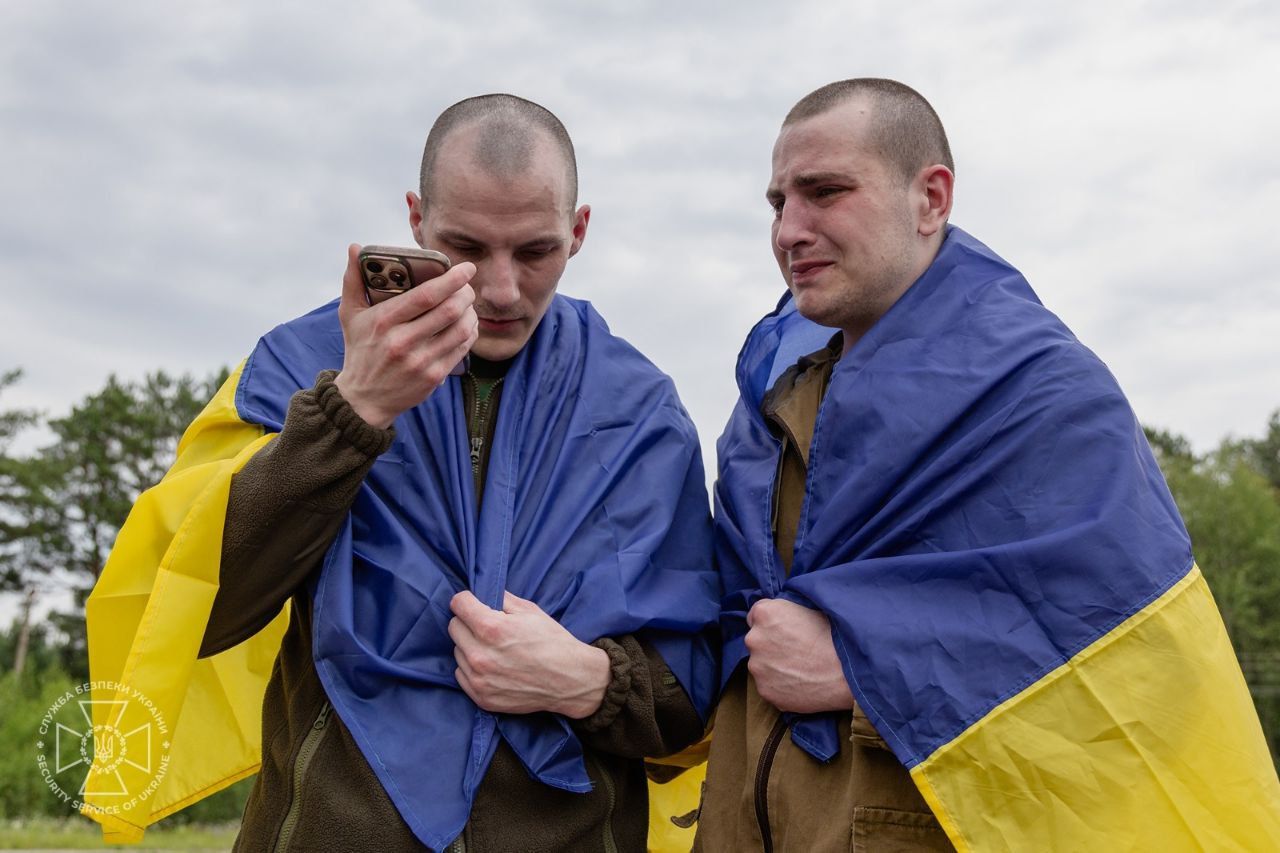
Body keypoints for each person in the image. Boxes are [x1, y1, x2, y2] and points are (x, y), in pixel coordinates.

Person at [81, 94, 719, 852]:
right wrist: (353, 410)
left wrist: (589, 681)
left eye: (536, 251)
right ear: (417, 220)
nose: (502, 290)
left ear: (578, 231)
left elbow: (695, 694)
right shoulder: (301, 365)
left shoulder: (641, 410)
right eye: (467, 247)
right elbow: (201, 609)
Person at [697, 78, 1280, 851]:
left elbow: (1133, 678)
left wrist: (866, 674)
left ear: (931, 199)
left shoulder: (1044, 395)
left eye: (825, 192)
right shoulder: (765, 411)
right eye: (777, 203)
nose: (789, 231)